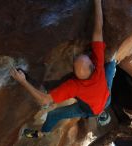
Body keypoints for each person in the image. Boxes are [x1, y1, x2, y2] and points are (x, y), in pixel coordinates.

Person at [10, 0, 116, 138]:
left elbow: (44, 100)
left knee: (54, 114)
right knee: (112, 63)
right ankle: (44, 132)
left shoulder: (74, 86)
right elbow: (98, 29)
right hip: (106, 97)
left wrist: (23, 81)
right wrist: (98, 2)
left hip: (89, 110)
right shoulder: (98, 66)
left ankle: (41, 134)